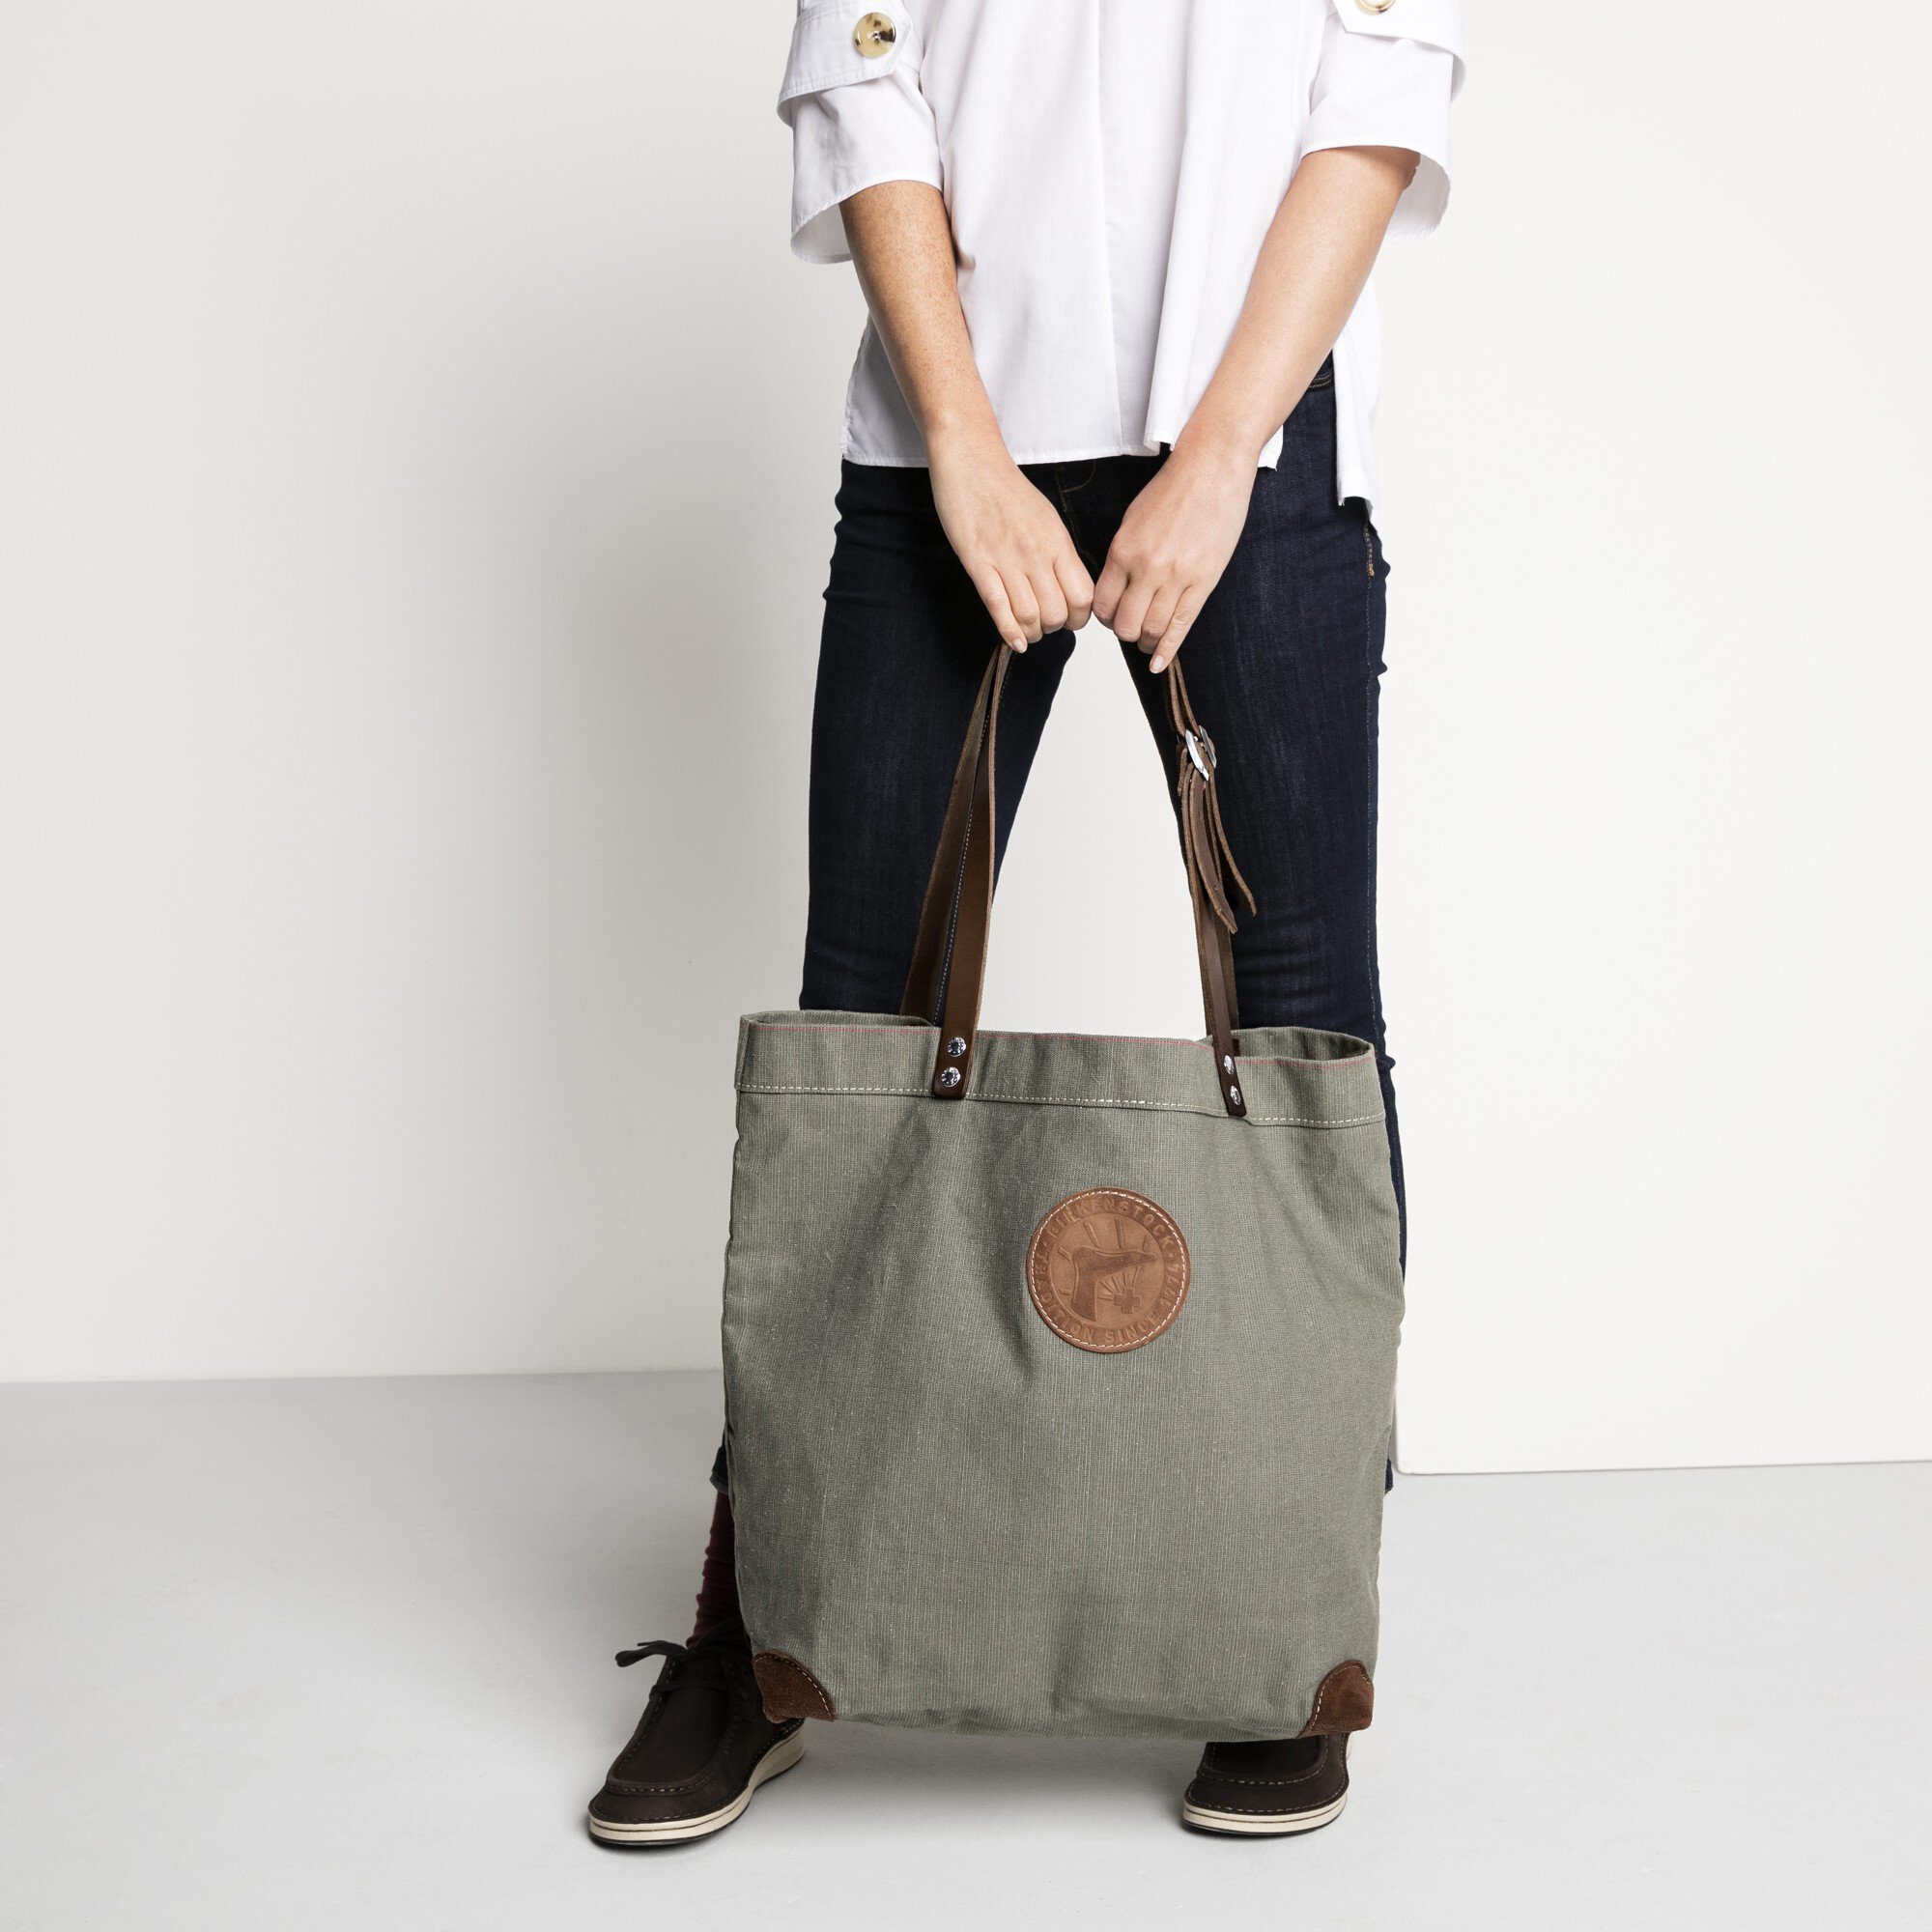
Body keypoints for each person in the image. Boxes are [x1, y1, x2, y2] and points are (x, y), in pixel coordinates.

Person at [586, 0, 1463, 1846]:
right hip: (951, 430)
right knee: (865, 1029)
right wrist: (961, 443)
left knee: (1308, 1022)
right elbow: (867, 79)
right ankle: (761, 1629)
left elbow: (1375, 97)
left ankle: (1285, 1624)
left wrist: (1222, 450)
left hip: (1259, 431)